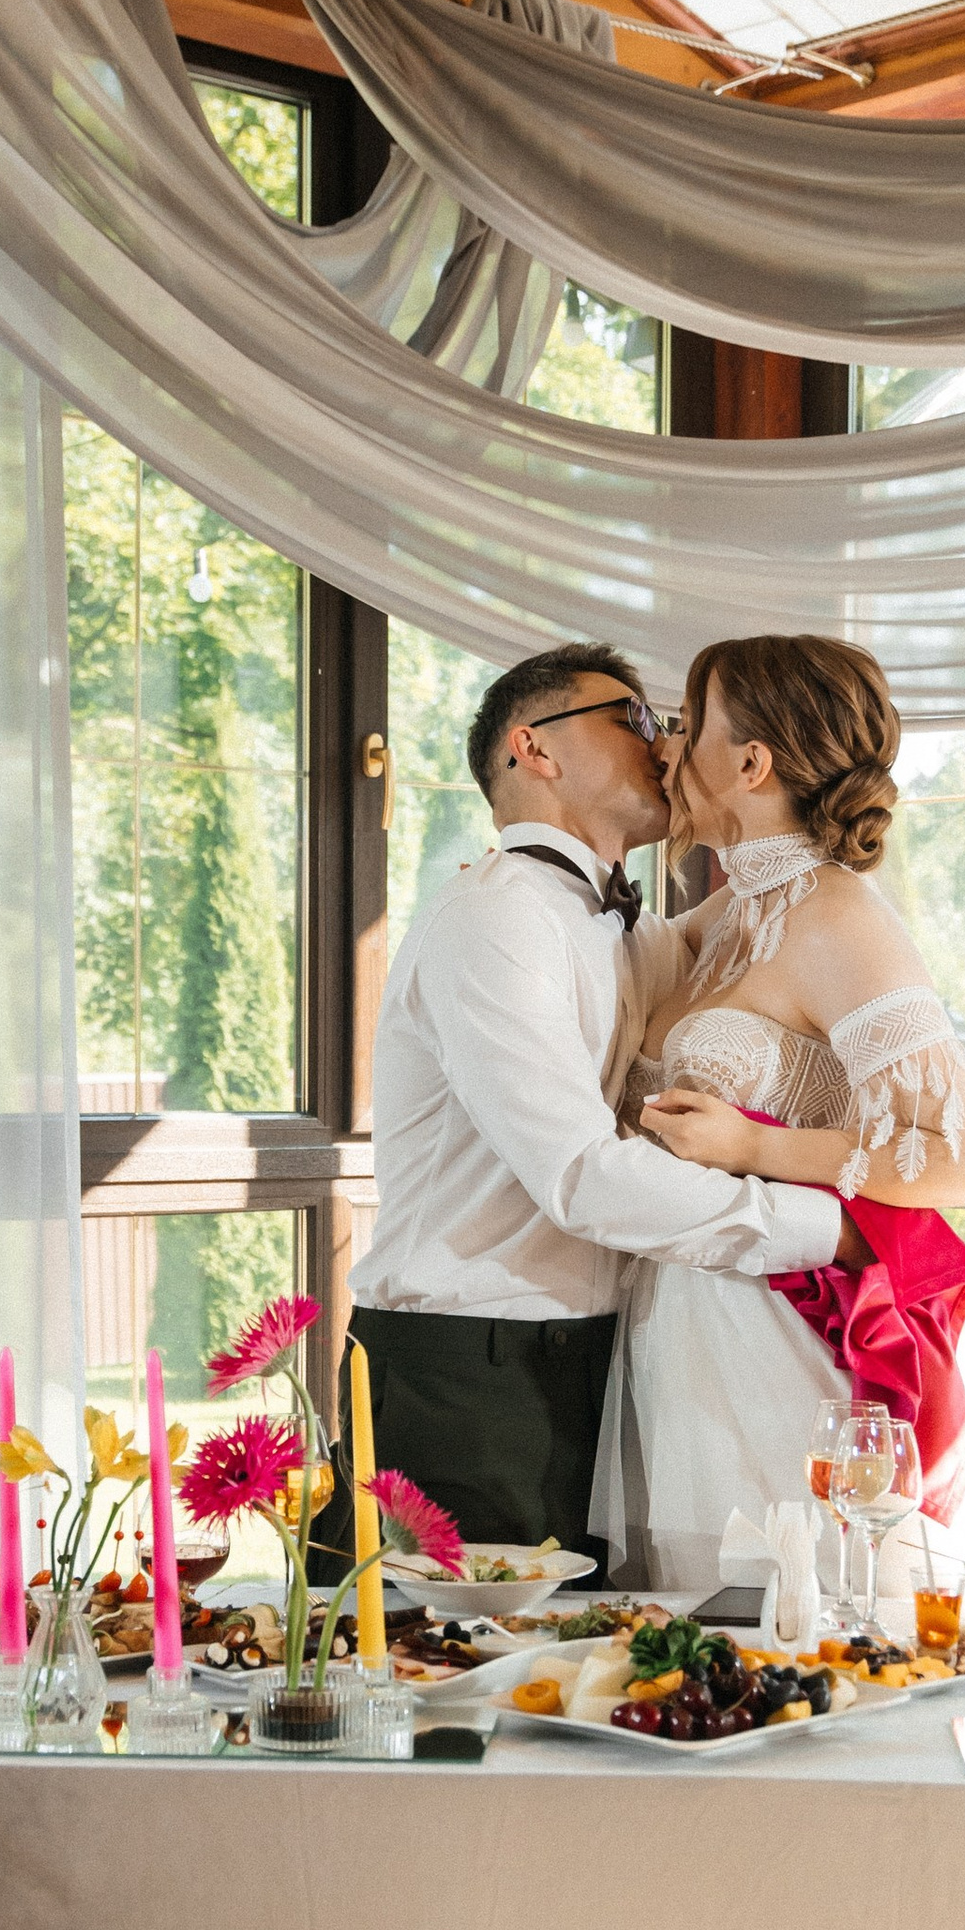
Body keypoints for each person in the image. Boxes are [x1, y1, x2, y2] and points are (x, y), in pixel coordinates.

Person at [348, 642, 848, 1561]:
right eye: (635, 719)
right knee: (450, 1685)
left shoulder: (625, 931)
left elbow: (783, 901)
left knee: (569, 1681)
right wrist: (827, 1233)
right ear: (533, 750)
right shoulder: (493, 918)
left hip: (592, 1364)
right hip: (468, 1374)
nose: (662, 747)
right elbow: (582, 1178)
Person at [593, 632, 965, 1592]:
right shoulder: (729, 916)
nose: (665, 747)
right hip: (676, 1315)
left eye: (688, 727)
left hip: (774, 1338)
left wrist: (753, 1144)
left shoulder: (839, 917)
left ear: (751, 763)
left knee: (794, 1615)